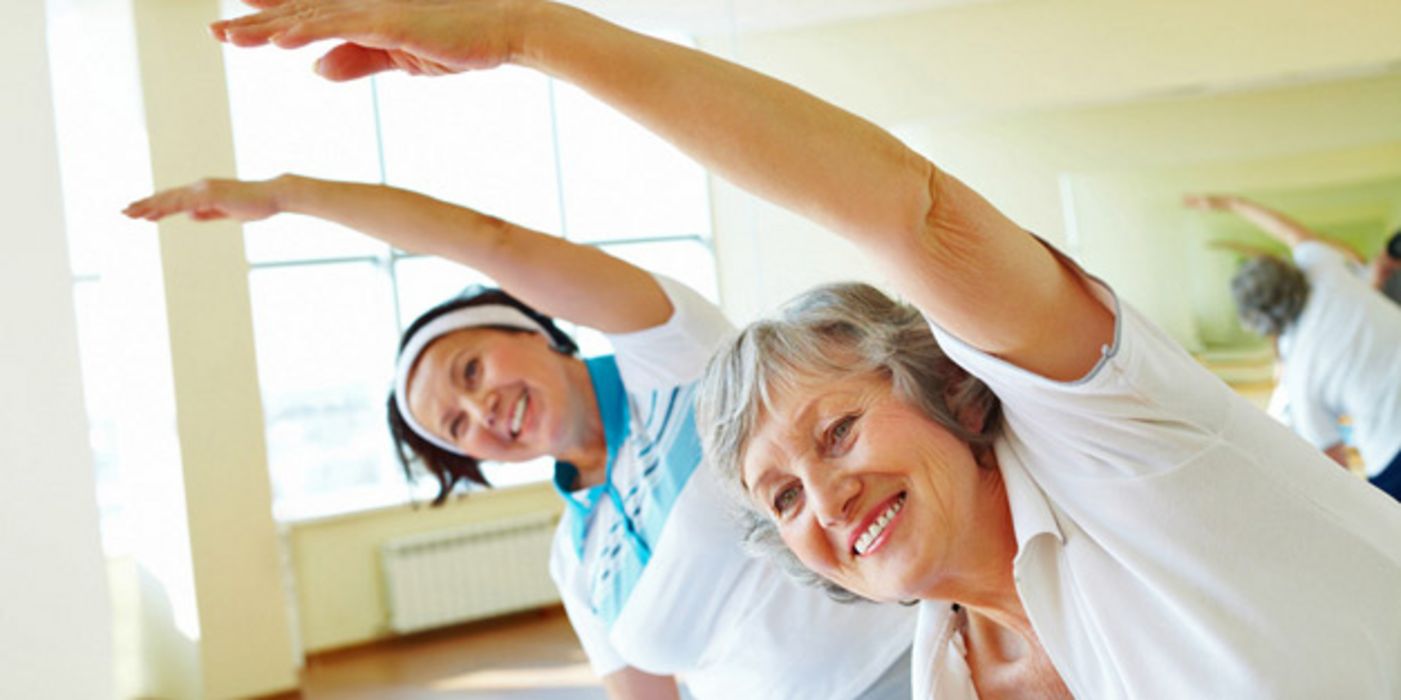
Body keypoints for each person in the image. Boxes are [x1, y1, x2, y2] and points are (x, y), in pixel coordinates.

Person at [201, 2, 1401, 697]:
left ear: (952, 396)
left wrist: (527, 33)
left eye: (837, 430)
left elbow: (909, 211)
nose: (822, 492)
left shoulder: (1124, 452)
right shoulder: (950, 661)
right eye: (779, 495)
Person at [123, 174, 915, 699]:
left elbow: (491, 239)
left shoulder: (674, 359)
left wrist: (285, 197)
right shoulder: (575, 556)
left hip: (910, 667)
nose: (482, 413)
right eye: (458, 428)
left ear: (532, 329)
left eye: (470, 371)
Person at [1186, 194, 1401, 499]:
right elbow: (1289, 230)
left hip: (1391, 452)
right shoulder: (1325, 270)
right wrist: (1232, 204)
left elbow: (1335, 466)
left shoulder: (1299, 376)